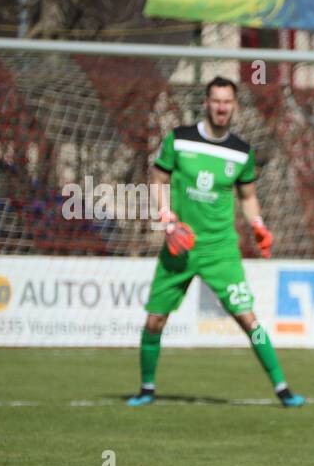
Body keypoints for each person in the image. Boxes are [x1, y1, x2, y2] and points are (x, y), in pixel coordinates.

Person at [127, 76, 304, 407]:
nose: (222, 107)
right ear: (206, 103)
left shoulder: (242, 152)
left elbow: (248, 196)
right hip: (179, 245)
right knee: (155, 319)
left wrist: (258, 225)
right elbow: (158, 178)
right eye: (216, 100)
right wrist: (166, 218)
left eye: (228, 102)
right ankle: (147, 388)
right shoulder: (179, 140)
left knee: (247, 318)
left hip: (221, 249)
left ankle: (282, 388)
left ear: (234, 106)